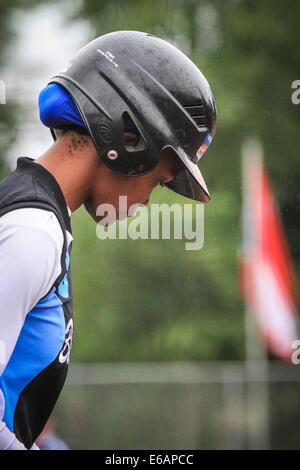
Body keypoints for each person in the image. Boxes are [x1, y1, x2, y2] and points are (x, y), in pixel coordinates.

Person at [0, 30, 217, 450]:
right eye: (159, 180)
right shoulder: (30, 230)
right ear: (128, 139)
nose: (146, 202)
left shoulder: (40, 220)